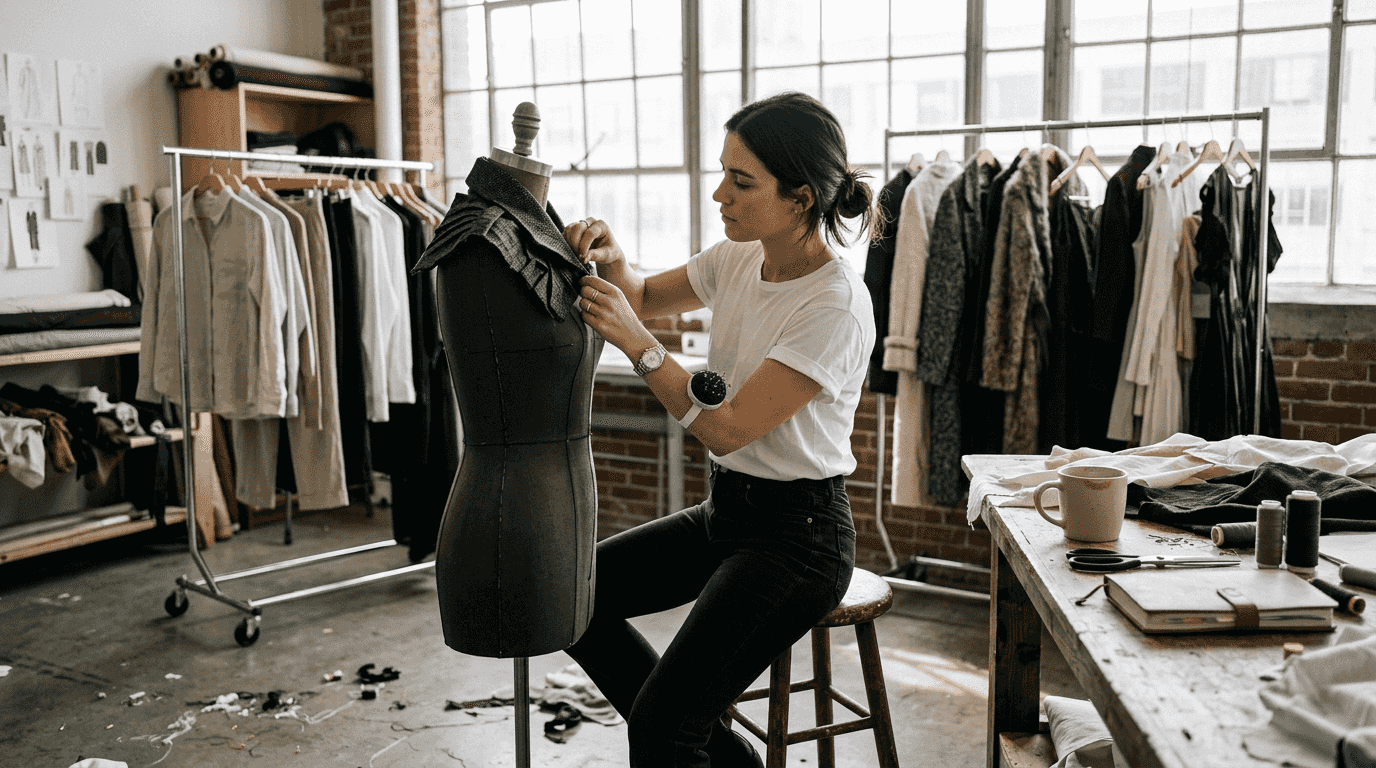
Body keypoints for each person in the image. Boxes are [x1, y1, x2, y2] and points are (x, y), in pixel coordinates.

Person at [561, 91, 876, 768]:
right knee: (571, 599)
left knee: (661, 728)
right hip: (727, 512)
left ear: (801, 197)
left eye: (741, 181)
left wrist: (641, 348)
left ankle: (683, 733)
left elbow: (729, 428)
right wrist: (615, 258)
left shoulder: (835, 303)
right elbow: (642, 295)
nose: (718, 196)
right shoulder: (739, 256)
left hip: (800, 540)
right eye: (722, 174)